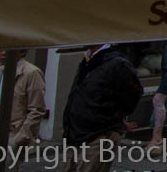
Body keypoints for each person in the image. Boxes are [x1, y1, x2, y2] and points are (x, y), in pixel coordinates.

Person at [62, 44, 144, 172]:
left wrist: (115, 118)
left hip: (98, 134)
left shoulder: (116, 63)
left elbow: (134, 92)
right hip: (77, 133)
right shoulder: (89, 59)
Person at [0, 50, 47, 170]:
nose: (2, 53)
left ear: (22, 52)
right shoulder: (0, 71)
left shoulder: (31, 73)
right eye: (1, 49)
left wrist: (20, 138)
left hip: (13, 133)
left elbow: (37, 110)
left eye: (7, 49)